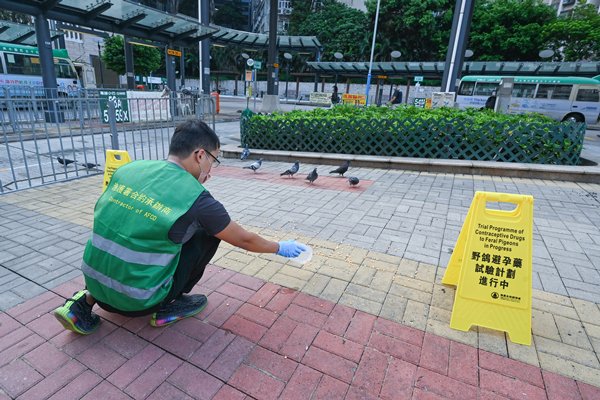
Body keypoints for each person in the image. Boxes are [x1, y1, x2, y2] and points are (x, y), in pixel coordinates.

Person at [53, 119, 308, 335]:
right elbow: (243, 239)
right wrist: (279, 247)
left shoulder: (129, 169)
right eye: (213, 160)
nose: (211, 169)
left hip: (94, 283)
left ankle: (81, 304)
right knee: (208, 232)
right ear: (200, 155)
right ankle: (167, 305)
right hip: (138, 302)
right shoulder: (199, 199)